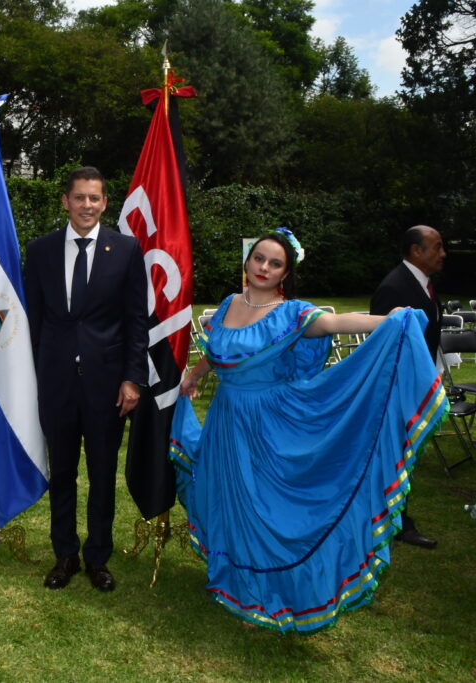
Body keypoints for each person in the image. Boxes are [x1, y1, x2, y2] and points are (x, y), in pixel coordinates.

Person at [171, 228, 446, 633]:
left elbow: (335, 322)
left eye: (275, 263)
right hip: (226, 422)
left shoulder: (292, 313)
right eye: (259, 259)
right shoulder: (229, 303)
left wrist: (389, 320)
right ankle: (235, 579)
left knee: (263, 508)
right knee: (231, 501)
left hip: (268, 426)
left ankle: (268, 592)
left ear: (285, 273)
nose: (264, 268)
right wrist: (194, 375)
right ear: (247, 262)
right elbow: (218, 350)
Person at [24, 167, 147, 592]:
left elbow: (136, 322)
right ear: (65, 201)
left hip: (108, 385)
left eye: (95, 198)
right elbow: (33, 322)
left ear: (105, 202)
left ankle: (98, 557)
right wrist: (33, 377)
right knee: (62, 472)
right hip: (56, 382)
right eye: (79, 197)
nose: (87, 206)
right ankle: (65, 555)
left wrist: (132, 379)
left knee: (101, 472)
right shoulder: (39, 252)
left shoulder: (128, 250)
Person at [369, 225, 446, 549]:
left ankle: (394, 516)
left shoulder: (423, 284)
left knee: (403, 454)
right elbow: (381, 347)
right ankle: (396, 521)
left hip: (415, 384)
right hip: (396, 390)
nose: (443, 253)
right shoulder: (394, 288)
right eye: (437, 246)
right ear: (417, 251)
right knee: (391, 455)